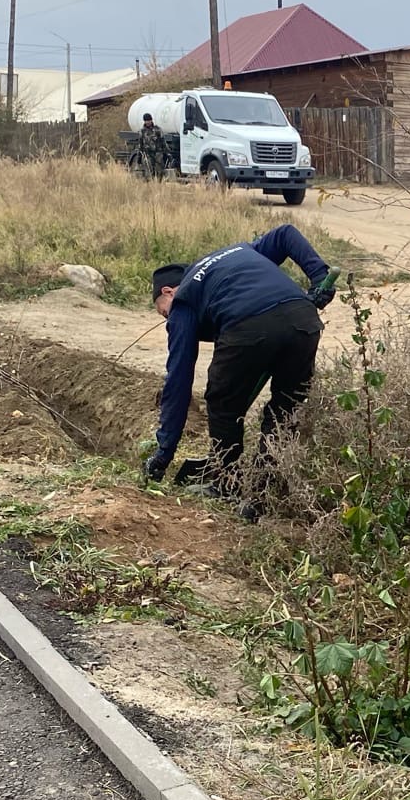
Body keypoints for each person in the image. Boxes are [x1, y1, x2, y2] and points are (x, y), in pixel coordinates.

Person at [145, 227, 339, 509]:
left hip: (248, 325)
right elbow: (285, 234)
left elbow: (179, 379)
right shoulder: (239, 251)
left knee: (222, 402)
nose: (168, 319)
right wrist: (319, 276)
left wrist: (164, 453)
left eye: (164, 311)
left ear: (168, 291)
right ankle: (263, 496)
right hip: (303, 318)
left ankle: (227, 484)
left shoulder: (184, 299)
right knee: (285, 409)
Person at [136, 112, 167, 180]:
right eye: (146, 120)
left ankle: (159, 185)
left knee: (160, 171)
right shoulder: (142, 131)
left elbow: (163, 141)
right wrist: (139, 158)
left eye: (149, 120)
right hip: (147, 154)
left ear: (151, 120)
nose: (147, 122)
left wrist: (167, 153)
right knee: (149, 172)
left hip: (158, 153)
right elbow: (140, 145)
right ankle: (150, 187)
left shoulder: (158, 130)